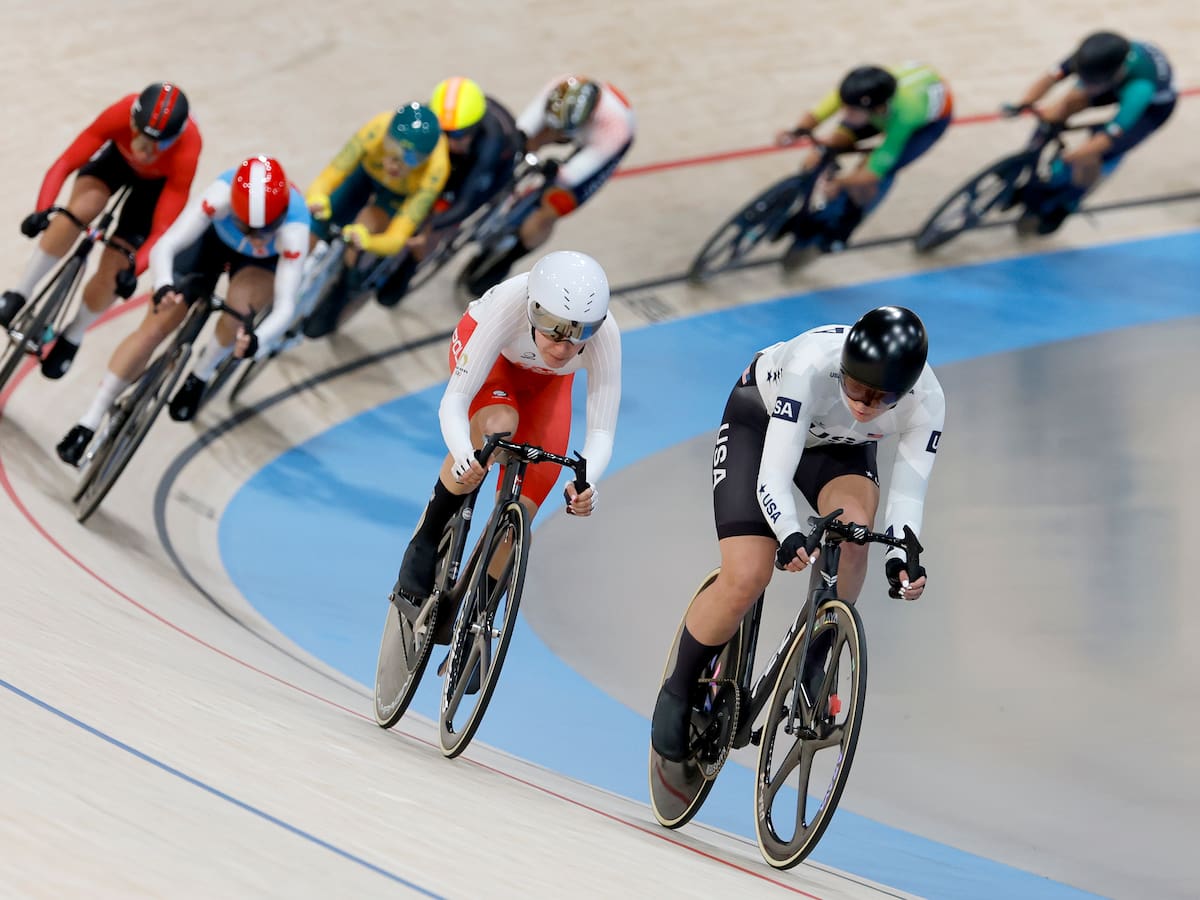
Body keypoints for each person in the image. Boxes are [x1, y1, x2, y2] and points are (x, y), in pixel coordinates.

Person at [650, 306, 945, 762]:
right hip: (762, 421)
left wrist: (901, 559)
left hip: (838, 447)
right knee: (748, 574)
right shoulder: (811, 363)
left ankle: (815, 658)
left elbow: (908, 496)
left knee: (855, 537)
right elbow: (773, 475)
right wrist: (789, 533)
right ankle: (679, 684)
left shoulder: (929, 401)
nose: (864, 404)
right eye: (855, 386)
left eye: (880, 397)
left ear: (905, 392)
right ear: (842, 366)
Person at [392, 250, 621, 620]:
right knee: (500, 427)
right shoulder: (511, 303)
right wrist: (465, 453)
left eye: (580, 334)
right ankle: (427, 537)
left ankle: (476, 622)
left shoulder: (605, 333)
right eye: (555, 330)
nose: (564, 348)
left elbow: (601, 431)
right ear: (534, 311)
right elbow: (455, 400)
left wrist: (586, 483)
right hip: (490, 360)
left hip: (547, 389)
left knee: (523, 517)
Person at [55, 156, 311, 465]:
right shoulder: (218, 198)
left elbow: (285, 304)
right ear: (235, 209)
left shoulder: (294, 231)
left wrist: (257, 338)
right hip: (207, 243)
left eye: (266, 228)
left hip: (258, 265)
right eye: (249, 227)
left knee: (238, 314)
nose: (256, 236)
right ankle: (90, 419)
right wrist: (164, 285)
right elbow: (169, 244)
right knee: (153, 328)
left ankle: (201, 373)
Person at [0, 82, 202, 379]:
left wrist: (133, 271)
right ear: (132, 122)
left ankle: (74, 335)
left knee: (117, 264)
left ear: (175, 139)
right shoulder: (120, 112)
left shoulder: (188, 149)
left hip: (153, 191)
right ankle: (19, 293)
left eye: (158, 146)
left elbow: (161, 231)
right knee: (77, 212)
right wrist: (43, 210)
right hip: (115, 164)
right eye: (142, 139)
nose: (147, 153)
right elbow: (66, 162)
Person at [458, 76, 635, 297]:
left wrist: (556, 173)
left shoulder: (615, 130)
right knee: (518, 147)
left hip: (601, 145)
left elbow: (572, 177)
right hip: (564, 119)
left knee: (554, 205)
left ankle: (507, 259)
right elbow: (521, 132)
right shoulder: (557, 89)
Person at [774, 63, 952, 265]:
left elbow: (873, 173)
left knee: (868, 176)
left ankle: (845, 225)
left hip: (923, 127)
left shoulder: (907, 114)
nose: (844, 114)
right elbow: (816, 114)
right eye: (845, 106)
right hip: (881, 110)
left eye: (851, 110)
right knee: (828, 146)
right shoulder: (854, 93)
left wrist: (841, 182)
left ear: (877, 108)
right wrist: (796, 131)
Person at [1003, 31, 1176, 234]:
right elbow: (1051, 77)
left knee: (1091, 157)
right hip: (1109, 78)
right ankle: (1030, 158)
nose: (1086, 85)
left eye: (1091, 82)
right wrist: (1024, 103)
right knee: (1061, 107)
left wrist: (1075, 156)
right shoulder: (1087, 57)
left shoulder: (1140, 88)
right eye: (1083, 78)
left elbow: (1110, 136)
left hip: (1150, 110)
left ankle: (1067, 204)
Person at [301, 102, 450, 336]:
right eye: (392, 148)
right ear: (387, 136)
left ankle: (343, 287)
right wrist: (318, 198)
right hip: (367, 175)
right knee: (315, 222)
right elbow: (329, 177)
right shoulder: (375, 129)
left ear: (425, 160)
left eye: (409, 159)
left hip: (397, 196)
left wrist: (366, 241)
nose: (394, 163)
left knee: (365, 229)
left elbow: (397, 238)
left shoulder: (435, 171)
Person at [375, 77, 523, 307]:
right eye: (440, 132)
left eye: (453, 135)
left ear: (472, 133)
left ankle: (409, 266)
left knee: (434, 226)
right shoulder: (440, 119)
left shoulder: (490, 146)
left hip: (484, 174)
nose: (443, 141)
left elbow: (465, 204)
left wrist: (428, 227)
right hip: (460, 157)